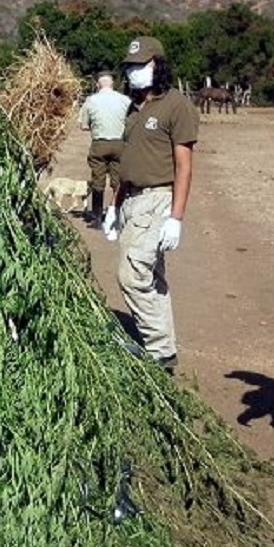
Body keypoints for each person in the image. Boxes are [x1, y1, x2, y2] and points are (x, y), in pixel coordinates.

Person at [113, 36, 199, 374]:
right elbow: (129, 159)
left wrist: (176, 217)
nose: (134, 71)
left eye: (141, 64)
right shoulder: (134, 108)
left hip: (157, 199)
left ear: (157, 65)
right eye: (130, 65)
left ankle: (157, 350)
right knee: (152, 277)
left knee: (131, 275)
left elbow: (185, 165)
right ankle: (163, 347)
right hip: (131, 200)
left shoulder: (176, 105)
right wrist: (112, 206)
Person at [77, 71, 131, 227]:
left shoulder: (91, 100)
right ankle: (117, 213)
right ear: (112, 84)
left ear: (97, 84)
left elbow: (84, 125)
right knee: (118, 180)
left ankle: (97, 217)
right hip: (120, 143)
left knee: (98, 180)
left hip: (99, 143)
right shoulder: (124, 100)